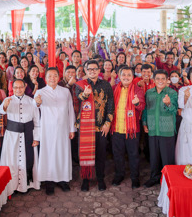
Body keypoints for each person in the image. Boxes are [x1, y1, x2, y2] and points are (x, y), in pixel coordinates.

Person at [35, 67, 76, 195]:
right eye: (49, 76)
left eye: (54, 75)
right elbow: (34, 109)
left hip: (63, 129)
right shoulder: (40, 92)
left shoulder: (65, 92)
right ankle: (49, 182)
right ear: (45, 78)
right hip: (47, 130)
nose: (52, 78)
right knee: (48, 155)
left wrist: (72, 128)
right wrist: (37, 103)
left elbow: (70, 111)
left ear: (58, 77)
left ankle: (63, 180)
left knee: (62, 153)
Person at [75, 60, 115, 192]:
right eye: (89, 69)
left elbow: (110, 105)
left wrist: (108, 123)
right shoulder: (81, 85)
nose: (92, 71)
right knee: (85, 154)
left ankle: (100, 178)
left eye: (94, 69)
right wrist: (85, 94)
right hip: (86, 127)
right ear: (85, 71)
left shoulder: (106, 85)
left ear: (99, 70)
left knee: (101, 154)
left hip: (101, 126)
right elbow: (79, 98)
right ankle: (85, 179)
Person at [0, 79, 41, 201]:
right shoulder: (8, 99)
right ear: (13, 88)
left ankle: (25, 185)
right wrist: (5, 105)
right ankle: (12, 186)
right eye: (15, 87)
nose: (18, 90)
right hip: (12, 136)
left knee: (26, 160)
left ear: (25, 87)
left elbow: (37, 121)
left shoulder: (31, 101)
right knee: (12, 161)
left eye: (20, 87)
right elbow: (1, 110)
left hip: (28, 134)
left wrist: (36, 138)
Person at [110, 67, 145, 189]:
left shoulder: (137, 90)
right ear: (119, 76)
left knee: (133, 154)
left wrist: (136, 103)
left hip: (132, 129)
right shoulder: (114, 89)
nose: (126, 77)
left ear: (132, 76)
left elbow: (141, 107)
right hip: (117, 128)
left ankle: (135, 177)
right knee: (118, 154)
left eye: (128, 75)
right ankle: (119, 175)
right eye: (123, 74)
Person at [142, 69, 178, 188]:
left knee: (167, 157)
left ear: (167, 80)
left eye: (163, 78)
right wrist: (144, 122)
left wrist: (168, 103)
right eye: (158, 78)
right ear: (154, 80)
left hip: (166, 130)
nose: (160, 81)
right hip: (152, 129)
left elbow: (174, 111)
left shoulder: (172, 93)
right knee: (154, 156)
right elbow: (146, 109)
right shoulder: (149, 93)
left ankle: (168, 180)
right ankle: (154, 177)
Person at [58, 65, 80, 164]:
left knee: (75, 138)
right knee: (65, 138)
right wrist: (69, 86)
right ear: (64, 73)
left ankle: (75, 158)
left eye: (73, 72)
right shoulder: (59, 84)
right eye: (68, 72)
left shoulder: (79, 84)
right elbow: (60, 98)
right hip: (63, 116)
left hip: (76, 114)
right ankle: (66, 159)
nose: (70, 74)